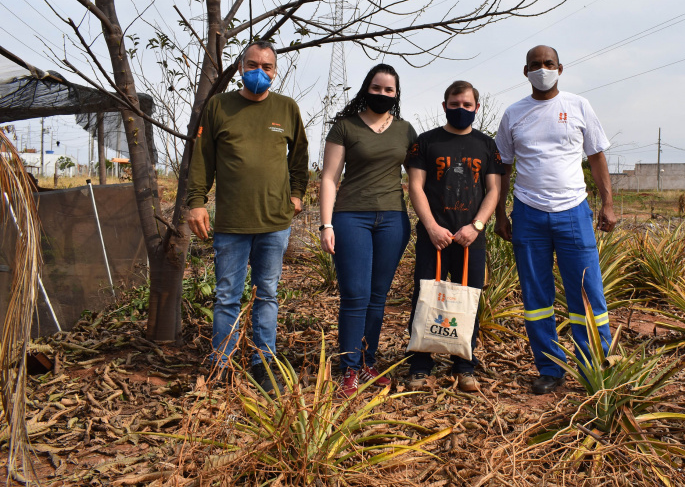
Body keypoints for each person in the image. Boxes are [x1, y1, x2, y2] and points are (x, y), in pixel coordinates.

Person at [186, 40, 309, 393]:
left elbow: (299, 156)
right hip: (232, 223)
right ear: (241, 67)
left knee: (267, 293)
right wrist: (196, 202)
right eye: (252, 64)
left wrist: (297, 195)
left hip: (275, 221)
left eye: (266, 67)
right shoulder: (219, 106)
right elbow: (202, 159)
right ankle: (222, 362)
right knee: (227, 294)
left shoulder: (286, 108)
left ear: (275, 72)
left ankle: (263, 361)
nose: (259, 72)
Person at [494, 45, 617, 395]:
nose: (542, 69)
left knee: (587, 290)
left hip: (574, 211)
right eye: (535, 65)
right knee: (536, 296)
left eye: (548, 64)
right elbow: (503, 166)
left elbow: (596, 157)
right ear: (525, 71)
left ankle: (596, 365)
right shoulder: (513, 114)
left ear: (560, 68)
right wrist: (502, 213)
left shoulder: (578, 106)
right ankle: (550, 367)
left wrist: (607, 203)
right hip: (528, 212)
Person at [320, 64, 417, 397]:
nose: (382, 94)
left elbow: (419, 180)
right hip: (351, 218)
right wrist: (327, 223)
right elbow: (330, 178)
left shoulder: (405, 130)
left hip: (392, 219)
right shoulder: (345, 127)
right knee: (355, 295)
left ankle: (368, 362)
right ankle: (349, 368)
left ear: (396, 94)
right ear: (366, 88)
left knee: (378, 298)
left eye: (389, 90)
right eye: (377, 88)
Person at [404, 80, 503, 393]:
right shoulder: (425, 142)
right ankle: (420, 364)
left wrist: (475, 226)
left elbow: (494, 190)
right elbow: (415, 186)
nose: (461, 109)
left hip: (469, 238)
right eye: (455, 104)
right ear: (444, 105)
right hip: (434, 237)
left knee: (468, 300)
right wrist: (432, 226)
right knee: (425, 298)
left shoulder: (487, 146)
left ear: (476, 107)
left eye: (467, 105)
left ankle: (465, 365)